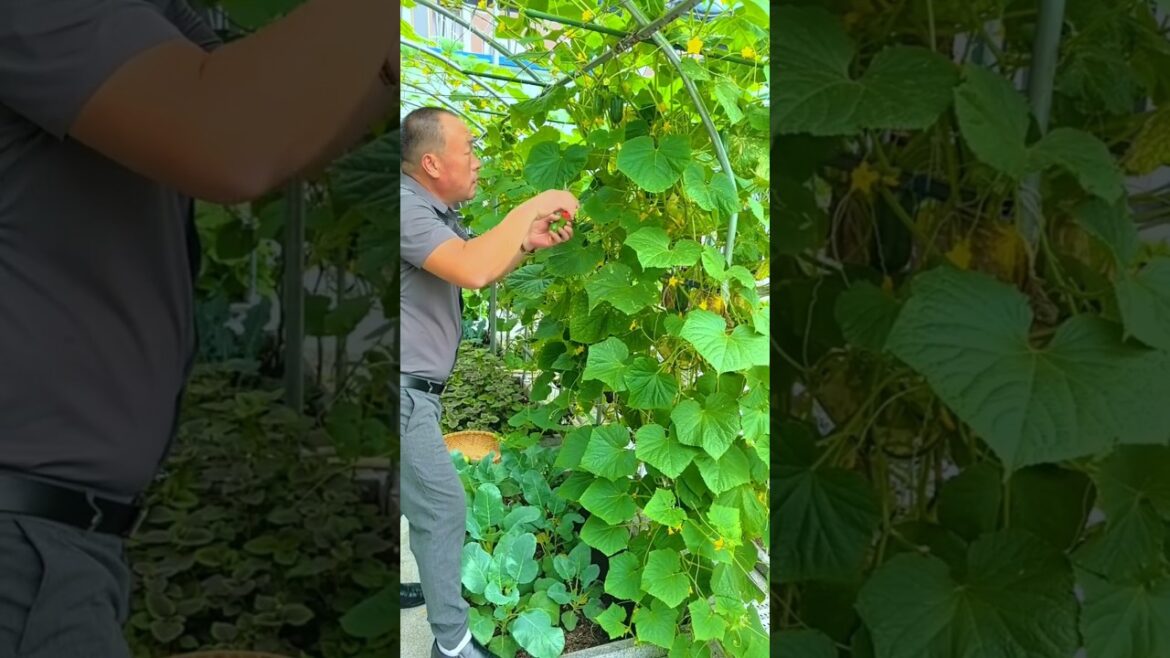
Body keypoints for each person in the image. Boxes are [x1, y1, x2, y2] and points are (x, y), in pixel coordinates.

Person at [0, 1, 396, 655]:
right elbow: (235, 137)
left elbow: (274, 121)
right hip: (23, 542)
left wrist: (380, 59)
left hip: (53, 543)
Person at [398, 106, 578, 658]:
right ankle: (452, 647)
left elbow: (476, 265)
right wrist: (534, 203)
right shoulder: (402, 206)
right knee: (444, 507)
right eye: (469, 150)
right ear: (431, 161)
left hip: (414, 391)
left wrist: (524, 243)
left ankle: (421, 585)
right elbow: (474, 267)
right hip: (399, 391)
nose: (478, 162)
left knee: (419, 501)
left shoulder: (429, 209)